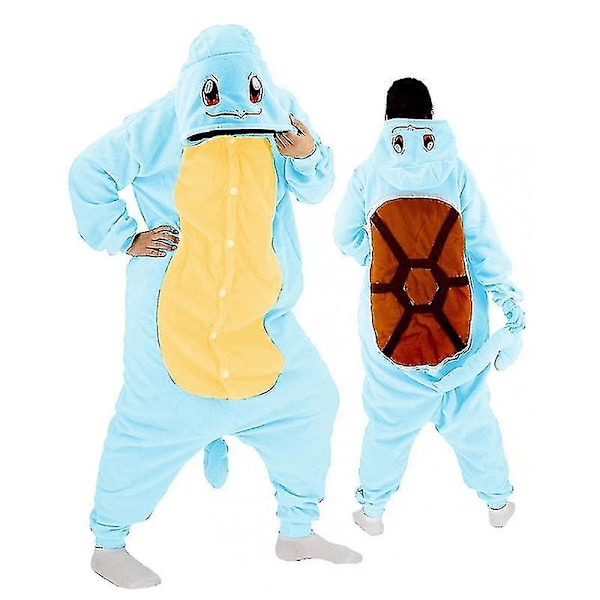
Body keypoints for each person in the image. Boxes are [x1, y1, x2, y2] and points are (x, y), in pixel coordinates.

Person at [69, 24, 361, 589]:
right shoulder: (163, 119)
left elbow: (316, 187)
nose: (234, 107)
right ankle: (109, 541)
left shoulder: (278, 112)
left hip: (259, 310)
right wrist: (125, 236)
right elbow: (89, 172)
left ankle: (297, 531)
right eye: (215, 94)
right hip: (174, 311)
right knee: (150, 420)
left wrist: (307, 153)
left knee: (311, 400)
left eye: (248, 92)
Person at [334, 77, 525, 537]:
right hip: (459, 323)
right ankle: (497, 501)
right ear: (431, 117)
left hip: (388, 326)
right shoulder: (456, 172)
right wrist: (508, 300)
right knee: (471, 415)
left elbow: (343, 235)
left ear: (388, 119)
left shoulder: (368, 173)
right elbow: (482, 243)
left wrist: (374, 257)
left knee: (388, 423)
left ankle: (372, 511)